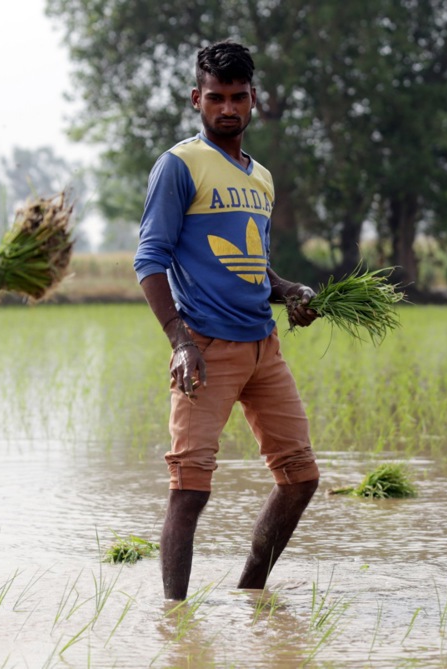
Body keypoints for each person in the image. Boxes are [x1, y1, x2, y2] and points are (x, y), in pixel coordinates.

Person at [133, 40, 322, 601]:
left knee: (301, 479)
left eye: (238, 97)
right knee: (189, 490)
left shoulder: (260, 177)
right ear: (197, 99)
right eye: (216, 97)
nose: (228, 108)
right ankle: (175, 621)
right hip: (204, 349)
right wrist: (180, 341)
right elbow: (149, 260)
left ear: (253, 99)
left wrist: (289, 290)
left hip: (264, 348)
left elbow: (253, 264)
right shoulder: (179, 165)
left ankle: (250, 594)